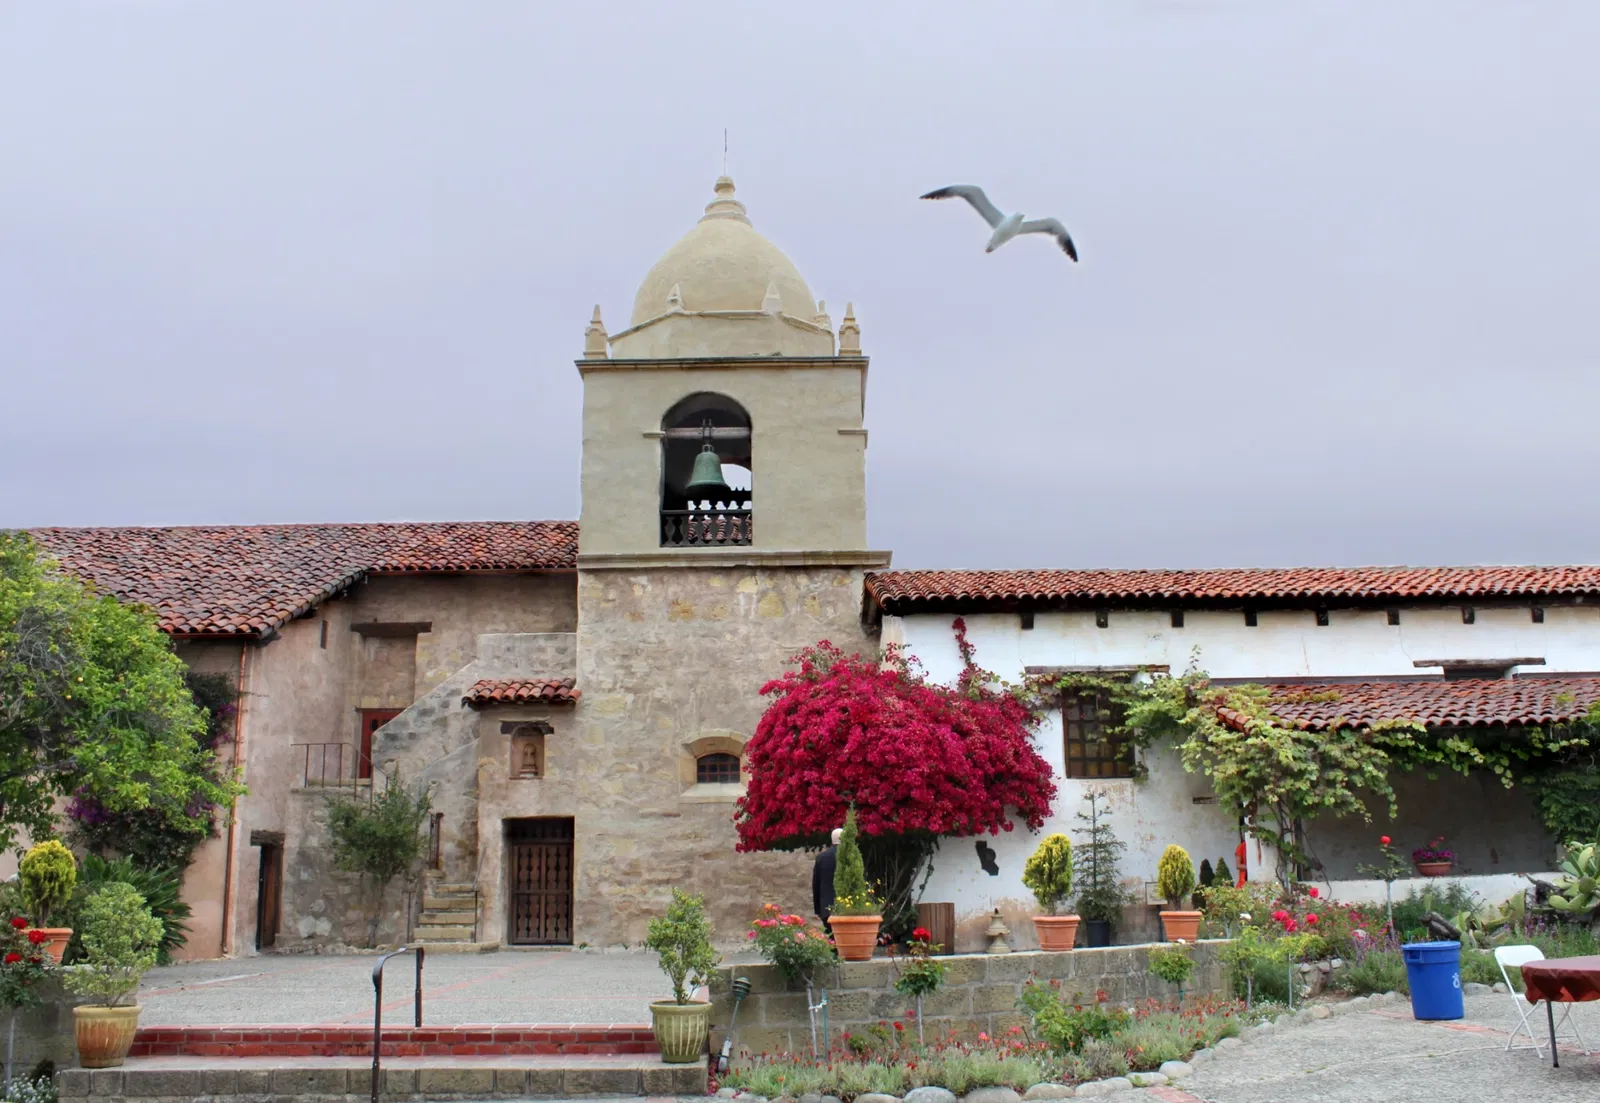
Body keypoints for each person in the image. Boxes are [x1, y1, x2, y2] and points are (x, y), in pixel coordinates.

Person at [812, 827, 842, 923]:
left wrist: (818, 909)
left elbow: (816, 884)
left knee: (831, 937)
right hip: (847, 909)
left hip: (827, 908)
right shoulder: (851, 856)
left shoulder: (821, 857)